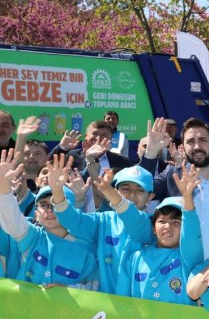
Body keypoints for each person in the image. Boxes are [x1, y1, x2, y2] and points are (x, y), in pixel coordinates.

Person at [142, 117, 209, 257]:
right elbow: (141, 189)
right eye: (190, 142)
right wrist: (151, 152)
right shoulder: (172, 176)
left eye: (203, 140)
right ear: (183, 148)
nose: (197, 147)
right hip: (180, 268)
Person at [51, 159, 155, 294]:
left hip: (142, 308)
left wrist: (110, 193)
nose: (132, 195)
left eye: (140, 190)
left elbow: (132, 217)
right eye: (125, 189)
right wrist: (57, 190)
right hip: (106, 306)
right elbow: (72, 220)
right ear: (116, 190)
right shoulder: (104, 220)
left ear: (150, 197)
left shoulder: (151, 224)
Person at [0, 150, 98, 288]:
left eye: (55, 204)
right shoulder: (31, 237)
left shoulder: (87, 250)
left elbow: (94, 287)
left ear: (69, 210)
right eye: (43, 205)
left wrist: (69, 289)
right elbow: (10, 216)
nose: (49, 210)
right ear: (35, 213)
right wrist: (3, 185)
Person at [116, 166, 204, 305]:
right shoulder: (136, 256)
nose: (168, 227)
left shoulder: (188, 257)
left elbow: (192, 234)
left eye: (176, 223)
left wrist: (187, 197)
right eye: (162, 221)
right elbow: (122, 299)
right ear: (153, 228)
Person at [52, 119, 134, 177]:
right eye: (95, 134)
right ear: (86, 136)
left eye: (104, 135)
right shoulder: (72, 156)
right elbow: (49, 168)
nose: (98, 138)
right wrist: (62, 147)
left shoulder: (122, 161)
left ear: (111, 139)